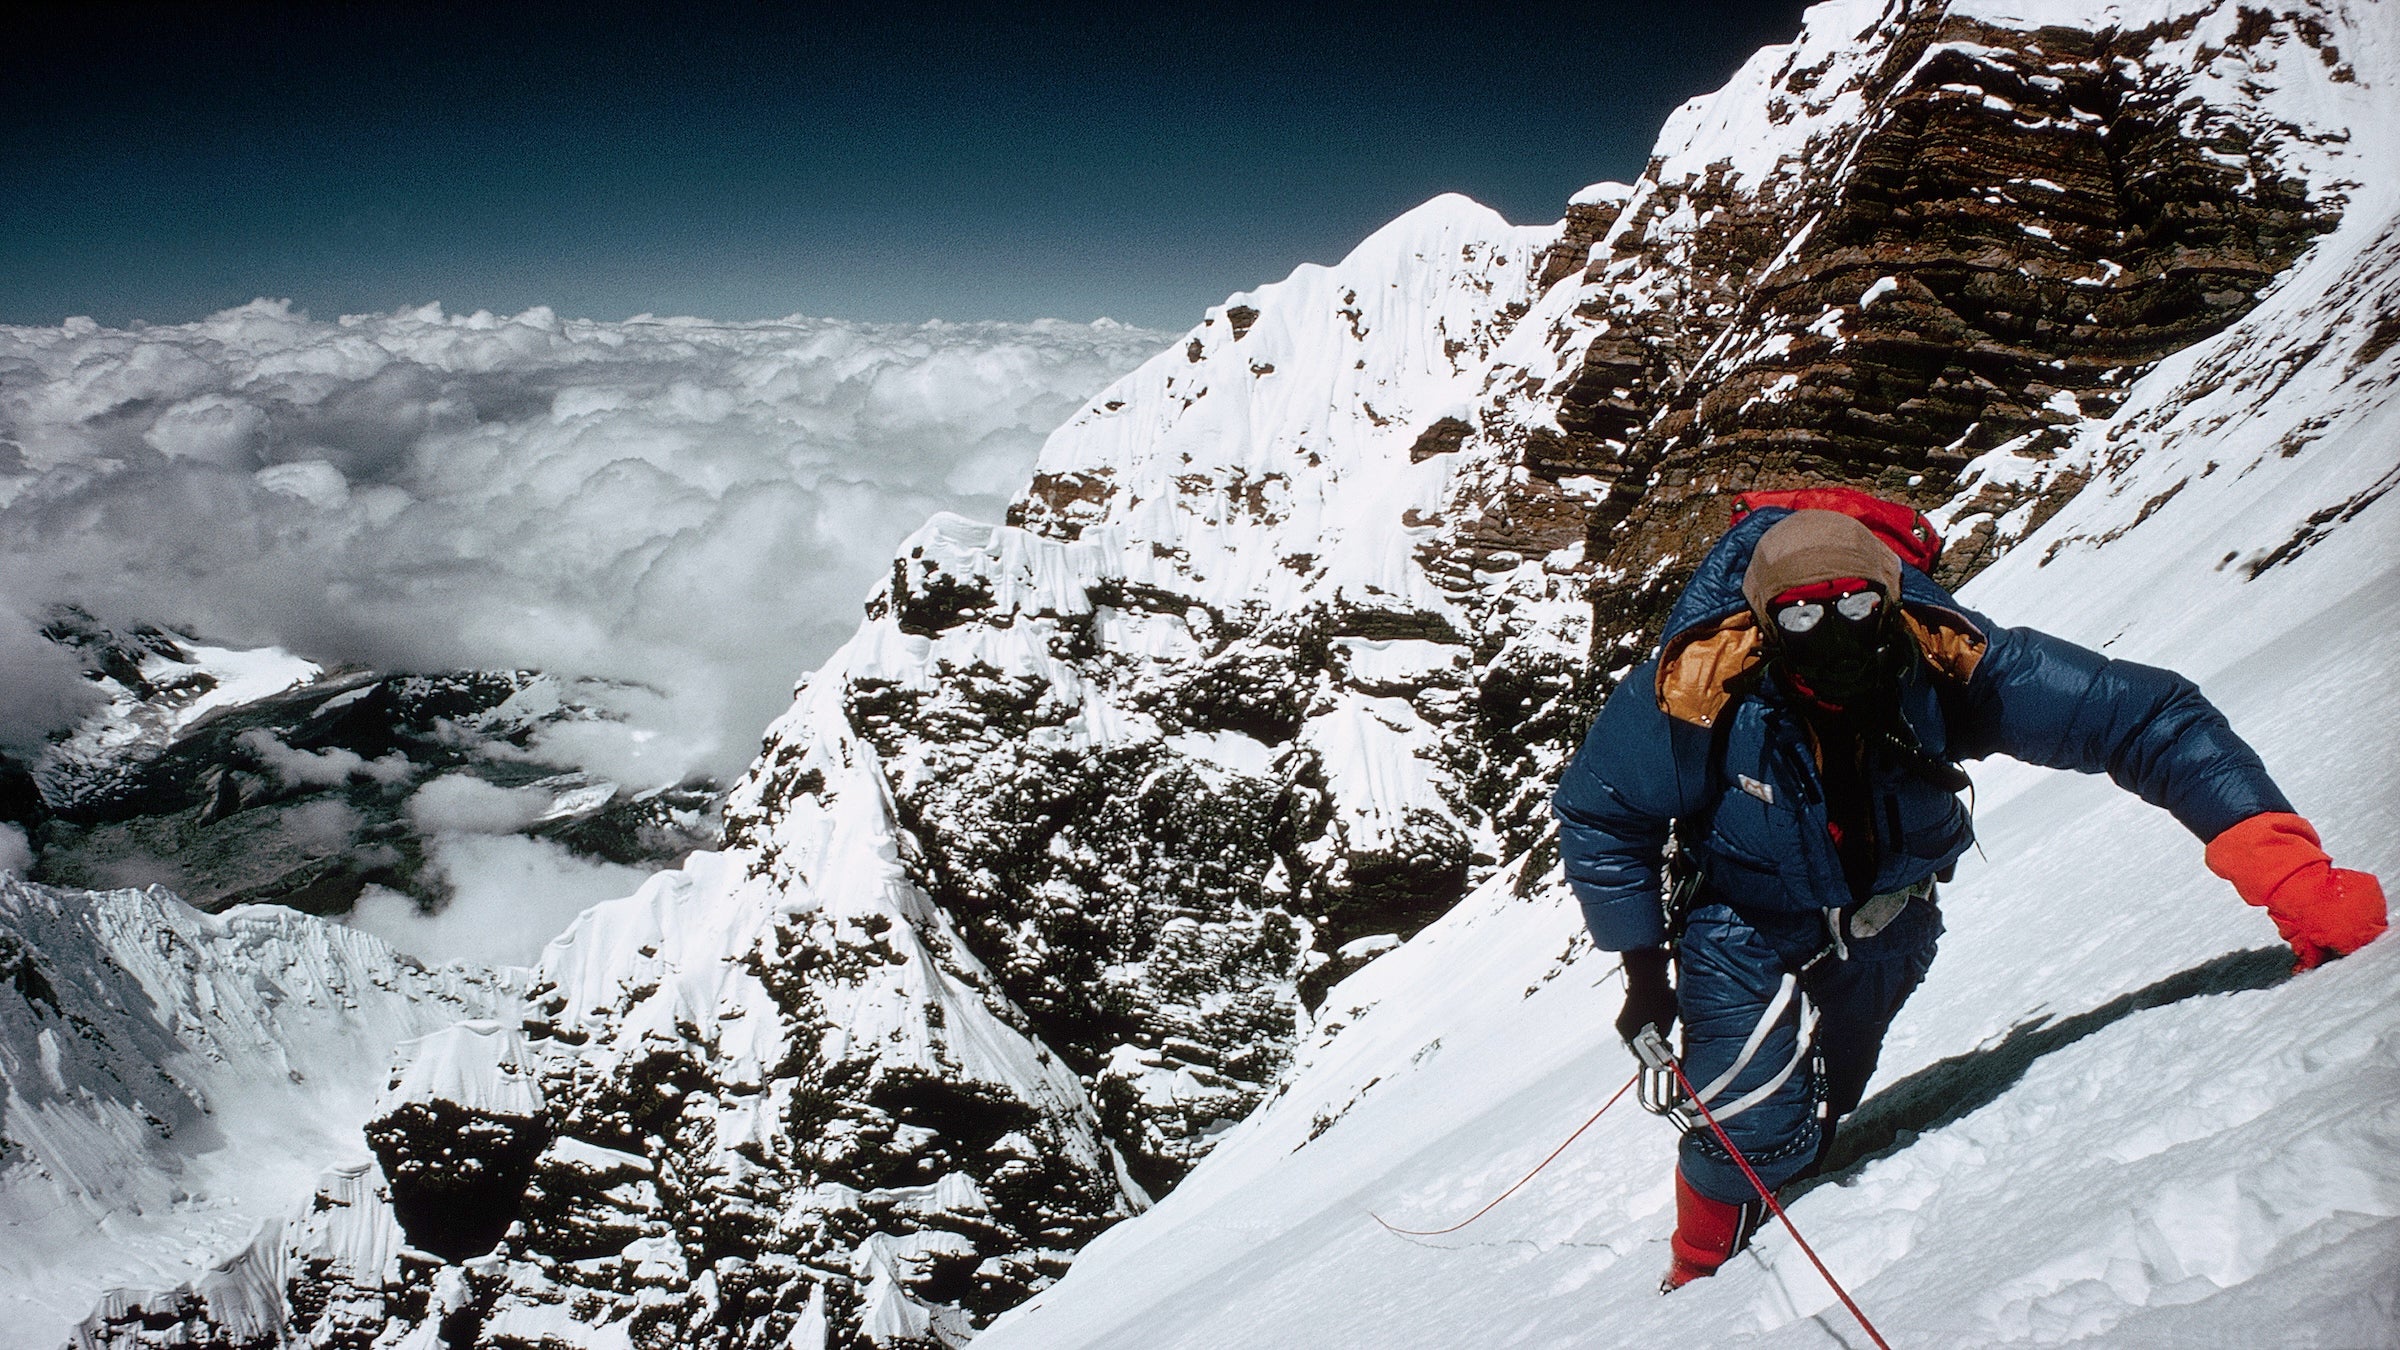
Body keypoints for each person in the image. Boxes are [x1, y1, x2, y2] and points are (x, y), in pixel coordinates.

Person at [1552, 505, 2387, 1291]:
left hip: (1888, 918)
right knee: (1749, 1128)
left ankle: (1794, 1178)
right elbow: (1600, 813)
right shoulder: (1694, 692)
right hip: (1742, 922)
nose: (1832, 631)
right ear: (1767, 625)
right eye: (1802, 616)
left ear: (1888, 597)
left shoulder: (1953, 663)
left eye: (1852, 605)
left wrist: (2290, 875)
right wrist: (1645, 974)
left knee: (1824, 1103)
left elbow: (2146, 720)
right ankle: (1698, 1277)